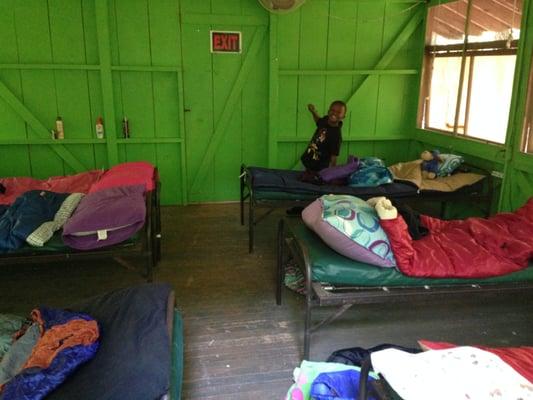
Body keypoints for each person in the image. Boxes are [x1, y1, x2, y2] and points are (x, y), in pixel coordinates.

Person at [300, 101, 347, 182]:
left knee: (311, 185)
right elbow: (318, 121)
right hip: (308, 159)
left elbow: (333, 158)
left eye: (338, 112)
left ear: (343, 116)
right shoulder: (325, 120)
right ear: (328, 111)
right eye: (332, 110)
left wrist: (331, 175)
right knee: (302, 179)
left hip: (319, 168)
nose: (334, 113)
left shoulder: (336, 136)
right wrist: (313, 111)